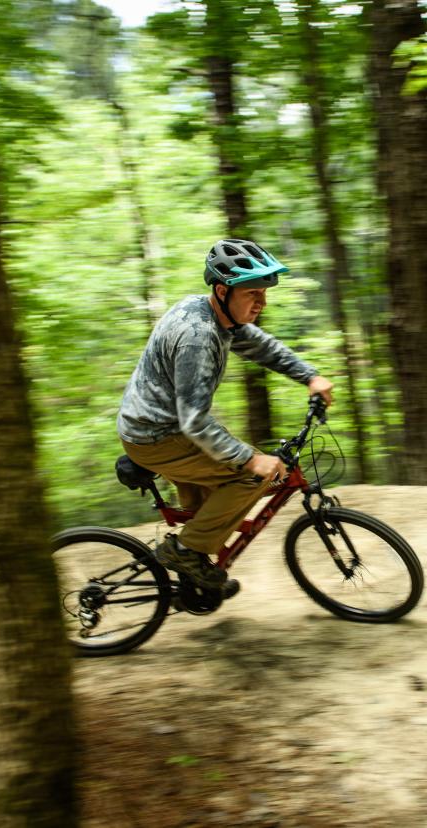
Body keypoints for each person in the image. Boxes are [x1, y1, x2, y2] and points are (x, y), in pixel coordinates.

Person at [117, 239, 334, 593]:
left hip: (160, 428)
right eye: (253, 294)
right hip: (159, 437)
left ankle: (195, 574)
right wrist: (251, 460)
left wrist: (309, 375)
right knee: (251, 477)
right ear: (222, 290)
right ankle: (185, 552)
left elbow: (261, 346)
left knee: (214, 501)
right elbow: (196, 422)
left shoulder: (210, 314)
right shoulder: (198, 337)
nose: (261, 303)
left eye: (264, 294)